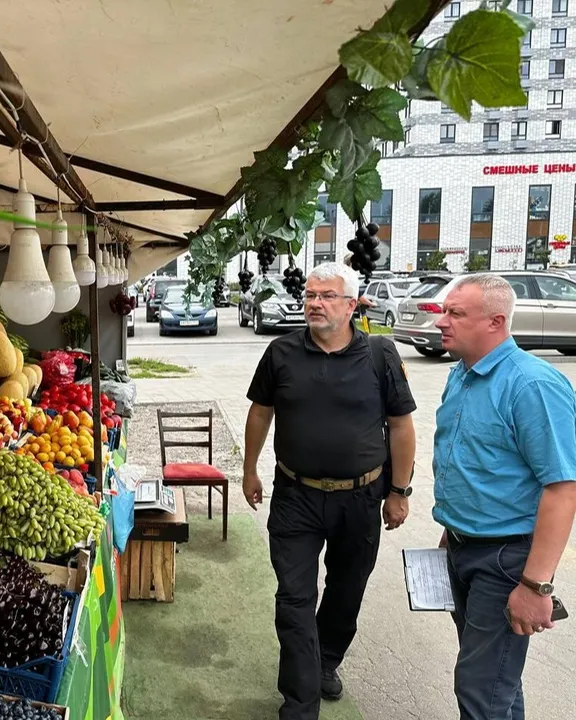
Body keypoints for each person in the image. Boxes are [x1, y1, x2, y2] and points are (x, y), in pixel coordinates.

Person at [243, 262, 417, 720]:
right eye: (309, 295)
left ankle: (326, 661)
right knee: (294, 599)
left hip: (362, 497)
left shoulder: (380, 355)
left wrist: (399, 491)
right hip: (295, 495)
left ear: (351, 303)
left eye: (326, 296)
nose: (314, 303)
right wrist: (249, 470)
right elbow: (260, 413)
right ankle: (300, 705)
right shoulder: (281, 352)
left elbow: (400, 426)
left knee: (347, 589)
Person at [432, 273, 576, 719]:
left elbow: (563, 488)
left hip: (506, 560)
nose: (441, 322)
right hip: (463, 548)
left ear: (496, 322)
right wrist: (451, 530)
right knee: (497, 685)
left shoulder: (531, 385)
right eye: (445, 310)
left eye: (455, 314)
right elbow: (470, 464)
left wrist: (536, 586)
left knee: (480, 693)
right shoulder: (462, 374)